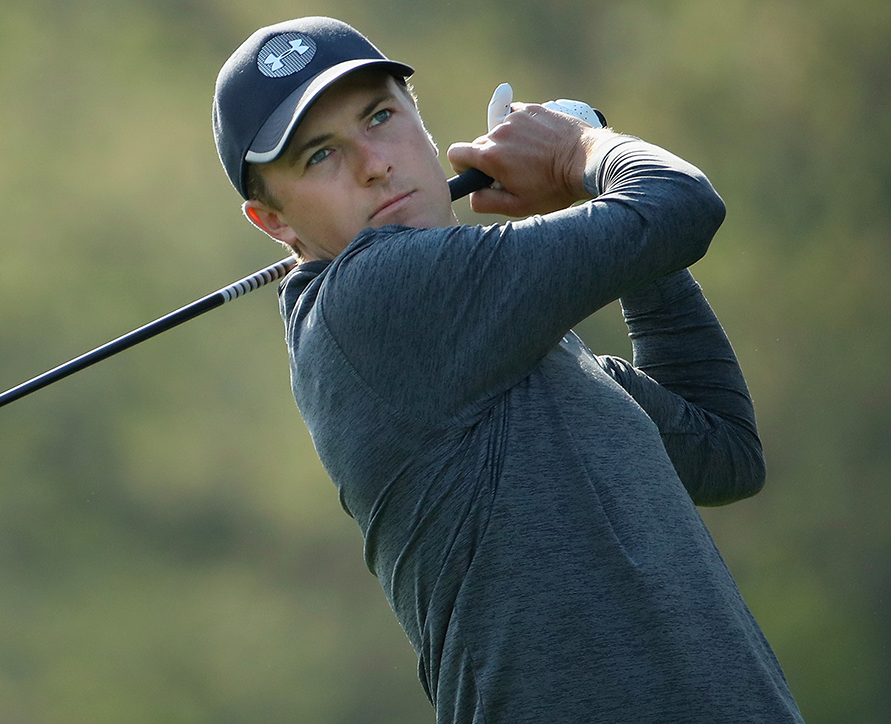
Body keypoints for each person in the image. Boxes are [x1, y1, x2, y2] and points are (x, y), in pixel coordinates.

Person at [212, 16, 804, 723]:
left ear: (420, 121)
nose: (374, 164)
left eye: (380, 118)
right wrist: (579, 149)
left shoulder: (484, 331)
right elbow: (682, 204)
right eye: (320, 156)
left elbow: (724, 451)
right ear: (274, 222)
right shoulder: (372, 299)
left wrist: (606, 216)